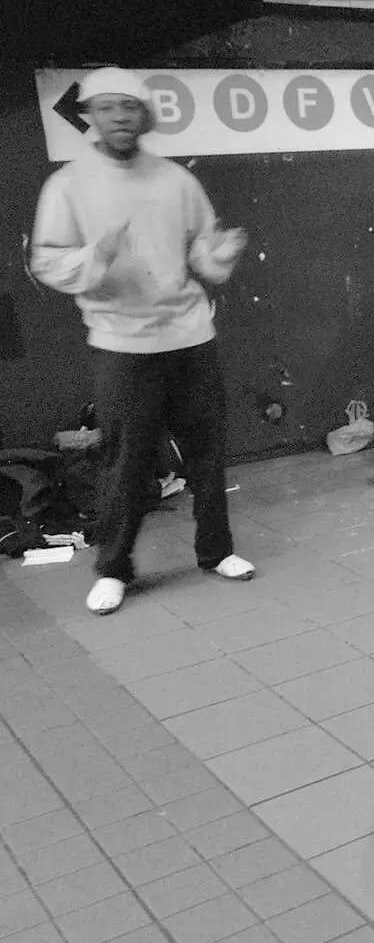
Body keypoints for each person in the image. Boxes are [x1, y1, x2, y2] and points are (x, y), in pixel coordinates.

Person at [30, 67, 254, 616]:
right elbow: (47, 260)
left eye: (128, 107)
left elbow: (200, 251)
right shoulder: (69, 185)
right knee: (124, 462)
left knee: (206, 453)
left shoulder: (176, 180)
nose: (120, 117)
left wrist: (217, 256)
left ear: (144, 115)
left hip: (190, 335)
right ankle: (113, 569)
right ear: (91, 117)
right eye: (106, 108)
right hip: (122, 343)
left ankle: (216, 551)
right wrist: (95, 257)